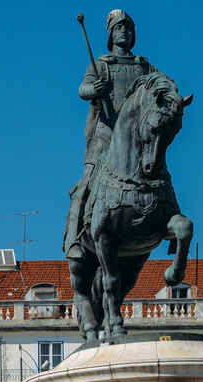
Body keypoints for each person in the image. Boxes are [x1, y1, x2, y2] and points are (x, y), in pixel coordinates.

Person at [64, 9, 158, 259]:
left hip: (136, 142)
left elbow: (159, 88)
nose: (124, 31)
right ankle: (73, 239)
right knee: (85, 184)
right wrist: (93, 89)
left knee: (160, 173)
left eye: (128, 28)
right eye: (118, 28)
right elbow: (82, 90)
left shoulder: (144, 66)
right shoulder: (102, 65)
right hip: (105, 137)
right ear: (111, 34)